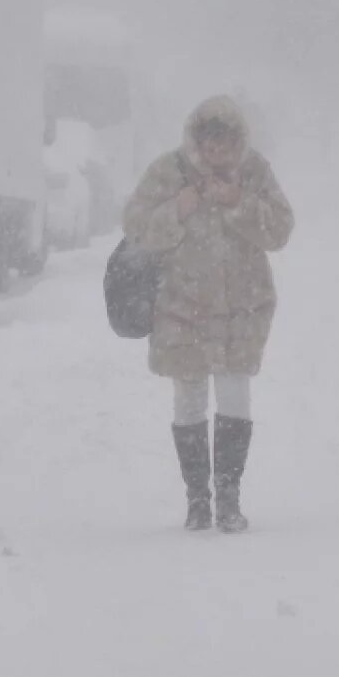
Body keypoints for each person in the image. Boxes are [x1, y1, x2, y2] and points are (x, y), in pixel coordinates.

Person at [122, 95, 294, 533]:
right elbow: (135, 228)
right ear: (196, 141)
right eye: (209, 144)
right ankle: (197, 498)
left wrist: (238, 201)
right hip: (181, 307)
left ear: (238, 141)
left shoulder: (255, 172)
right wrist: (176, 211)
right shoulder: (168, 171)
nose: (216, 152)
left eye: (225, 144)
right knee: (189, 396)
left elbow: (280, 229)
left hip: (242, 307)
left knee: (236, 394)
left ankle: (228, 497)